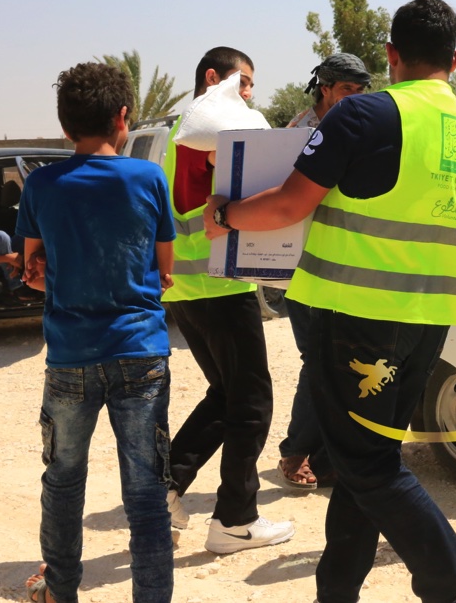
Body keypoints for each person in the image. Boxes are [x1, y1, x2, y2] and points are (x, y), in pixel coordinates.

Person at [206, 0, 456, 603]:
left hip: (360, 315)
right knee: (363, 460)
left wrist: (226, 216)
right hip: (430, 318)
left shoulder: (363, 114)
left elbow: (290, 204)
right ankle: (336, 593)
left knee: (367, 465)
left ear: (391, 54)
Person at [17, 61, 177, 603]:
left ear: (65, 126)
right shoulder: (149, 179)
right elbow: (165, 272)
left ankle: (59, 591)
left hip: (70, 356)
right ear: (122, 117)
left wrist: (64, 274)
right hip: (141, 352)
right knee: (146, 493)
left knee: (63, 481)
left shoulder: (41, 185)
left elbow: (32, 273)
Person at [163, 47, 294, 554]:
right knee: (254, 402)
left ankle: (164, 487)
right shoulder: (210, 130)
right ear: (213, 77)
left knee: (226, 396)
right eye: (244, 83)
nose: (249, 95)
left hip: (190, 289)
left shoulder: (182, 132)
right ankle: (235, 521)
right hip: (220, 286)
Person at [278, 52, 371, 490]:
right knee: (317, 360)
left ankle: (325, 457)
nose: (354, 97)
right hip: (302, 263)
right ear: (325, 88)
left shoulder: (351, 126)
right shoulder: (302, 133)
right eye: (347, 89)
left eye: (360, 90)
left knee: (338, 359)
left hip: (339, 260)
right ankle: (295, 452)